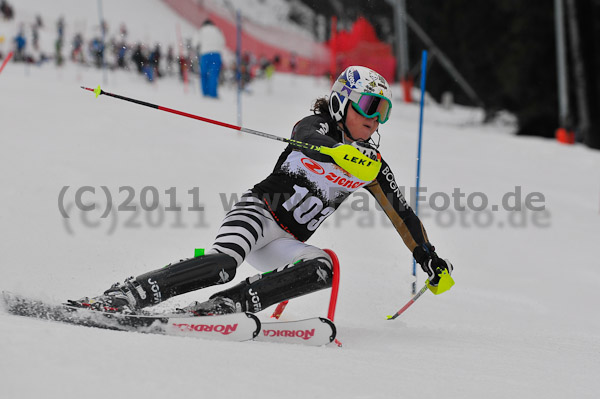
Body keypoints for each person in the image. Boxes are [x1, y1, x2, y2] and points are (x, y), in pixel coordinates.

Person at [72, 66, 453, 316]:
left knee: (325, 268)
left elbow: (402, 215)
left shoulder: (372, 166)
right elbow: (303, 135)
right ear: (342, 101)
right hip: (258, 213)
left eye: (382, 111)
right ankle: (132, 293)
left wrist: (429, 258)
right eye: (369, 106)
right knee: (223, 265)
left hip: (285, 243)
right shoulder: (318, 128)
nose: (374, 119)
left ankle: (223, 308)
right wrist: (338, 151)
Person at [195, 19, 225, 98]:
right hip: (216, 54)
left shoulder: (201, 31)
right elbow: (223, 42)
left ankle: (205, 93)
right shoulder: (217, 30)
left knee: (204, 74)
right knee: (214, 74)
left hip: (205, 54)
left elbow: (196, 43)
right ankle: (213, 93)